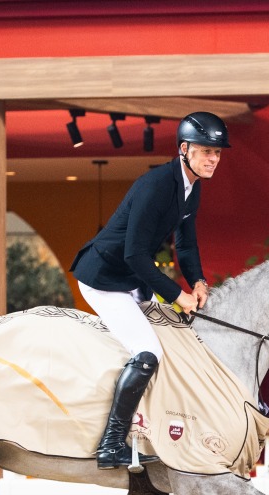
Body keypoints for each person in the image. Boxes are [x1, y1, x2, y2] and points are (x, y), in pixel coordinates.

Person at [70, 111, 228, 469]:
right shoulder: (156, 184)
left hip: (132, 278)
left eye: (217, 153)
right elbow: (135, 254)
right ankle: (110, 445)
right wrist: (177, 295)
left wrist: (199, 281)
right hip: (104, 278)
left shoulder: (192, 188)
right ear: (185, 149)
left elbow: (185, 246)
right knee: (147, 351)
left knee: (174, 340)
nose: (213, 159)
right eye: (206, 151)